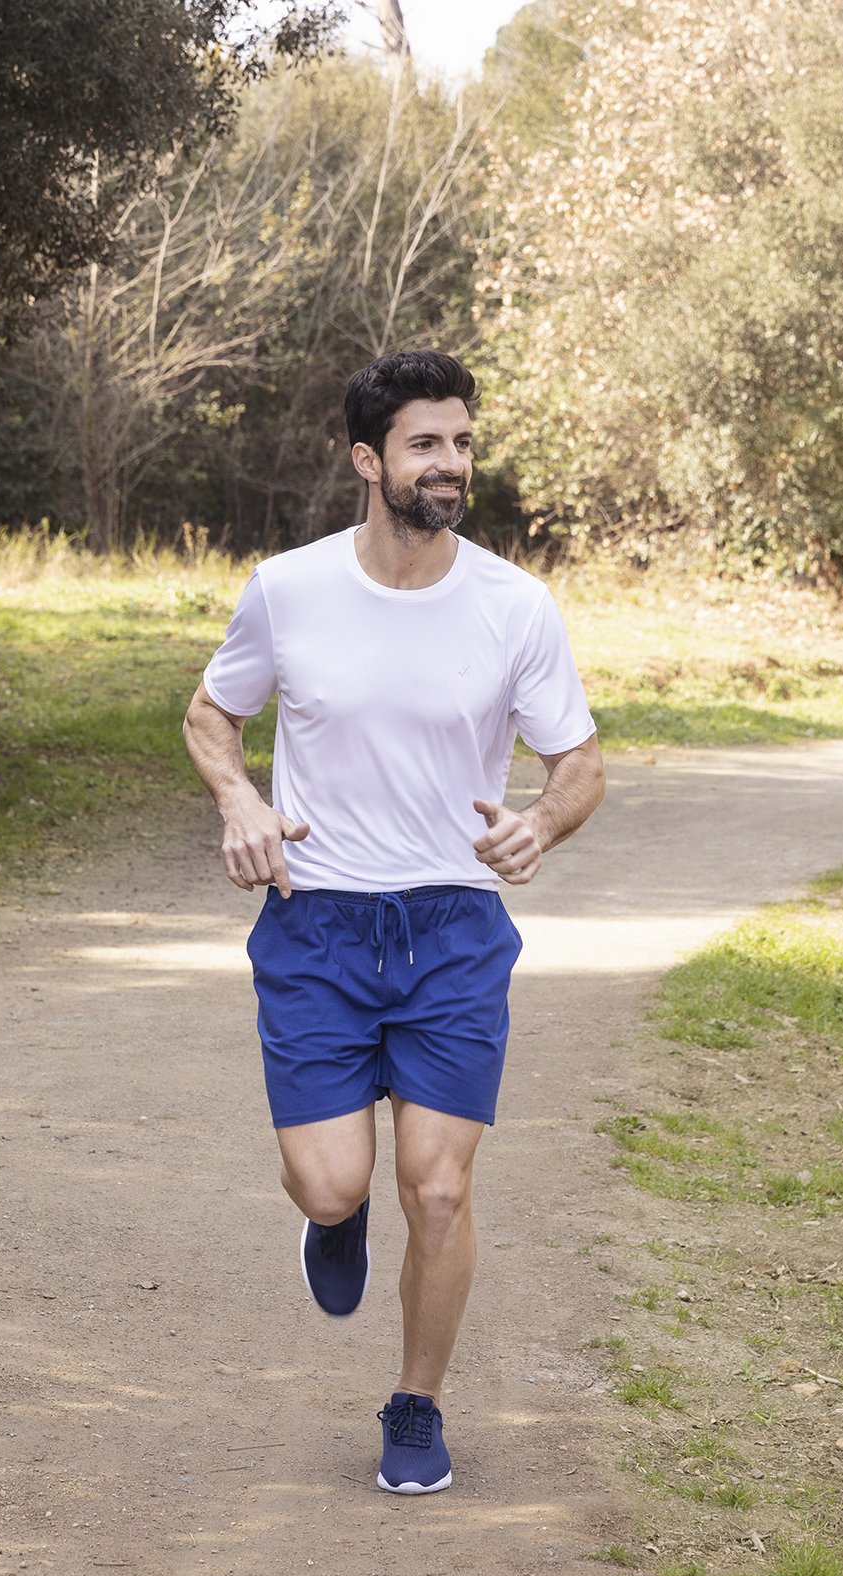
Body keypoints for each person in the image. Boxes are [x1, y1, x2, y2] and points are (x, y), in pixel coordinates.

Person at [182, 349, 606, 1495]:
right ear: (369, 460)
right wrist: (241, 800)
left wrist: (540, 825)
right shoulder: (289, 588)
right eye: (427, 444)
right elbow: (210, 716)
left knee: (442, 1187)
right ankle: (334, 1217)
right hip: (315, 921)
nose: (453, 464)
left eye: (463, 442)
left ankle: (416, 1402)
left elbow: (579, 761)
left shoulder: (515, 603)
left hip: (452, 927)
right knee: (333, 1184)